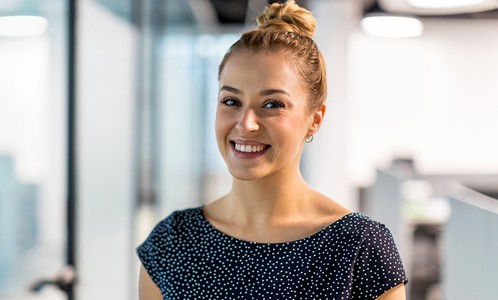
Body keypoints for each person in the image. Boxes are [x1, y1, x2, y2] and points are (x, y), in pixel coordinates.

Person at [137, 1, 407, 299]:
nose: (246, 124)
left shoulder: (360, 247)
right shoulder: (171, 244)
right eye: (231, 101)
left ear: (314, 119)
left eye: (273, 104)